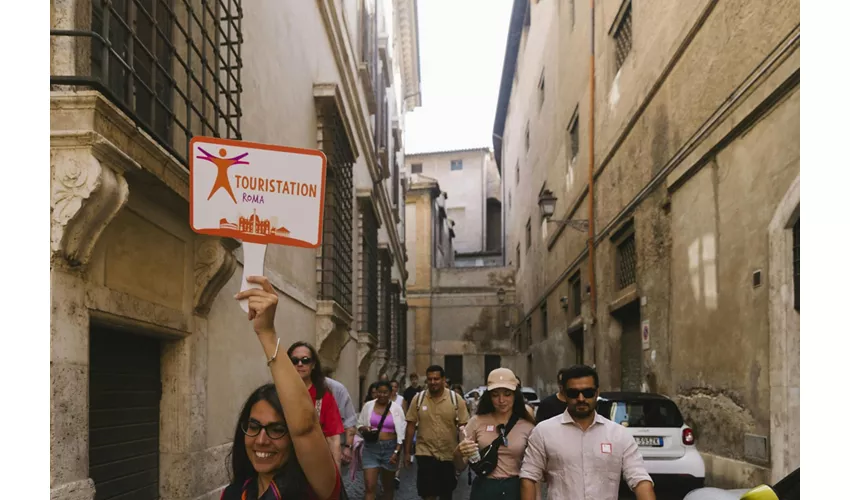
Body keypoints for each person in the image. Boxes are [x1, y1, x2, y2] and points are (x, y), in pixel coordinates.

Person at [222, 276, 341, 499]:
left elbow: (305, 427)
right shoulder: (234, 493)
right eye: (253, 426)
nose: (261, 440)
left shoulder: (314, 487)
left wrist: (266, 333)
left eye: (277, 429)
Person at [519, 365, 656, 500]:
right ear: (564, 395)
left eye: (588, 392)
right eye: (573, 393)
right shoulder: (544, 432)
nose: (581, 398)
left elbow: (640, 479)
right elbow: (529, 477)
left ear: (596, 393)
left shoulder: (618, 434)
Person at [454, 368, 535, 499]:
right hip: (484, 489)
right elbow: (460, 466)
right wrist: (458, 453)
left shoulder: (527, 426)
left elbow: (534, 471)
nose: (501, 400)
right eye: (495, 395)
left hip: (514, 489)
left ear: (515, 395)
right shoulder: (476, 422)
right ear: (489, 397)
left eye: (507, 394)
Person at [404, 365, 470, 500]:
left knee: (446, 494)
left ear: (443, 380)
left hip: (448, 455)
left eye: (436, 379)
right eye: (430, 379)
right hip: (425, 453)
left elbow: (464, 427)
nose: (433, 382)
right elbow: (410, 425)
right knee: (428, 494)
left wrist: (465, 454)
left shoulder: (456, 400)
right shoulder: (418, 399)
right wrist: (407, 452)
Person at [287, 341, 345, 465]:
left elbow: (333, 439)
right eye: (294, 360)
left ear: (313, 364)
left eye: (305, 360)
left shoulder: (324, 397)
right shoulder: (279, 393)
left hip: (315, 464)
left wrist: (336, 475)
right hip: (285, 463)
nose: (300, 364)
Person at [358, 380, 407, 500]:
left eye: (385, 392)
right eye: (379, 392)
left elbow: (401, 432)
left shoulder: (396, 409)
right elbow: (359, 424)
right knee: (369, 486)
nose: (382, 395)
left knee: (388, 488)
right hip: (371, 448)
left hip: (390, 449)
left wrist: (396, 452)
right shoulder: (368, 406)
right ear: (376, 393)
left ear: (390, 393)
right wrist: (364, 428)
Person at [326, 375, 358, 466]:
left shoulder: (337, 388)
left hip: (334, 449)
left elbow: (350, 422)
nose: (300, 365)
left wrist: (348, 447)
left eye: (305, 361)